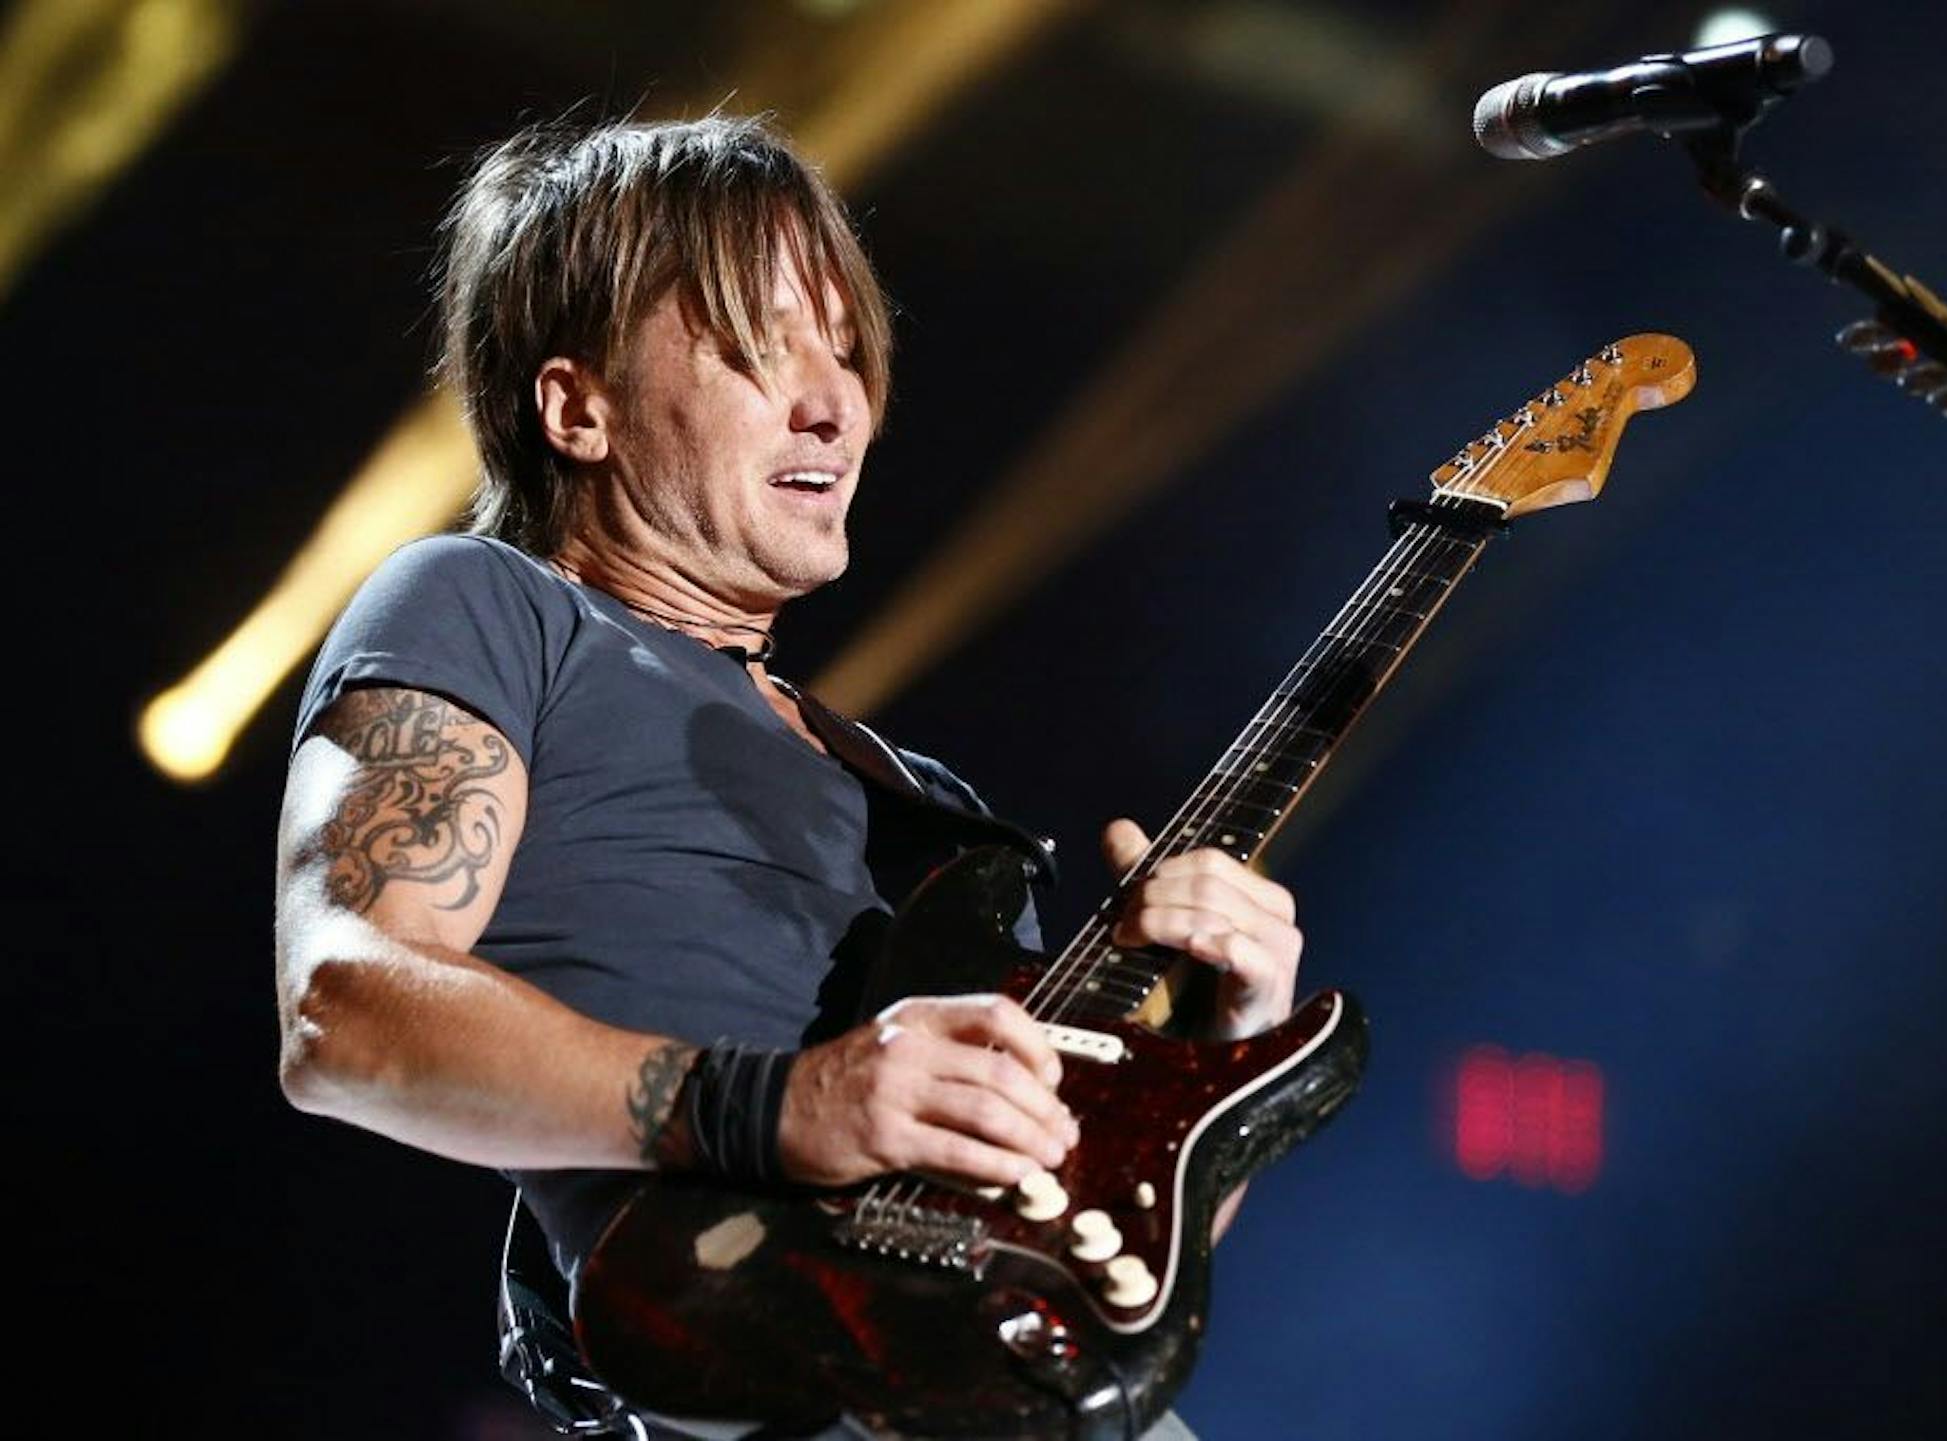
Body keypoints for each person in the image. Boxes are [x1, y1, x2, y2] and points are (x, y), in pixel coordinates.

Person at [274, 114, 1304, 1440]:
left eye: (846, 345)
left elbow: (1087, 1242)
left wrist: (1221, 1052)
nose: (838, 401)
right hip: (771, 1377)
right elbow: (341, 1008)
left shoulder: (917, 801)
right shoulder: (485, 604)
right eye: (762, 345)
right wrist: (782, 1103)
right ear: (577, 406)